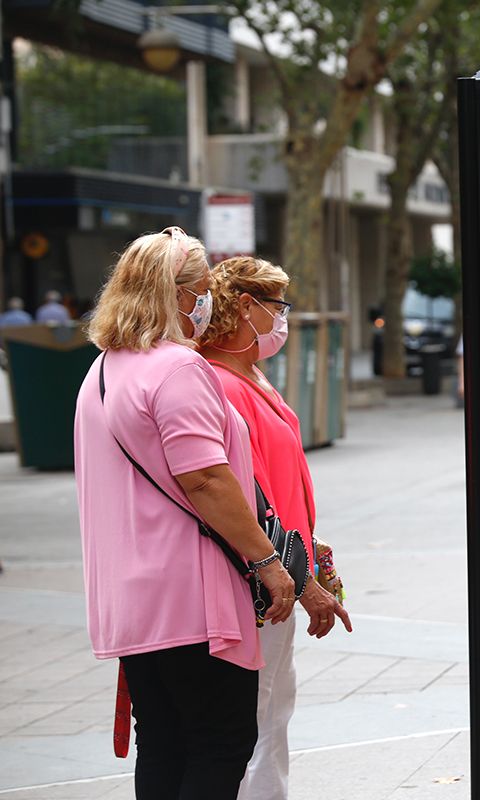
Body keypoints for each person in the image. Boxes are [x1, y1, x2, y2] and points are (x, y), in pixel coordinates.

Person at [75, 227, 297, 798]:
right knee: (219, 742)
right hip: (190, 598)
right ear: (176, 295)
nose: (205, 302)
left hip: (131, 597)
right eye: (200, 288)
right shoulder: (177, 369)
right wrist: (269, 562)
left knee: (165, 745)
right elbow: (204, 479)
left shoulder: (101, 371)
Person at [197, 256, 351, 799]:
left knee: (273, 708)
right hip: (262, 579)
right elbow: (251, 497)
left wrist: (314, 552)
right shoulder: (221, 384)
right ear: (246, 307)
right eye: (278, 306)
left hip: (283, 567)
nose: (284, 318)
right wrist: (301, 582)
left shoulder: (251, 375)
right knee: (258, 713)